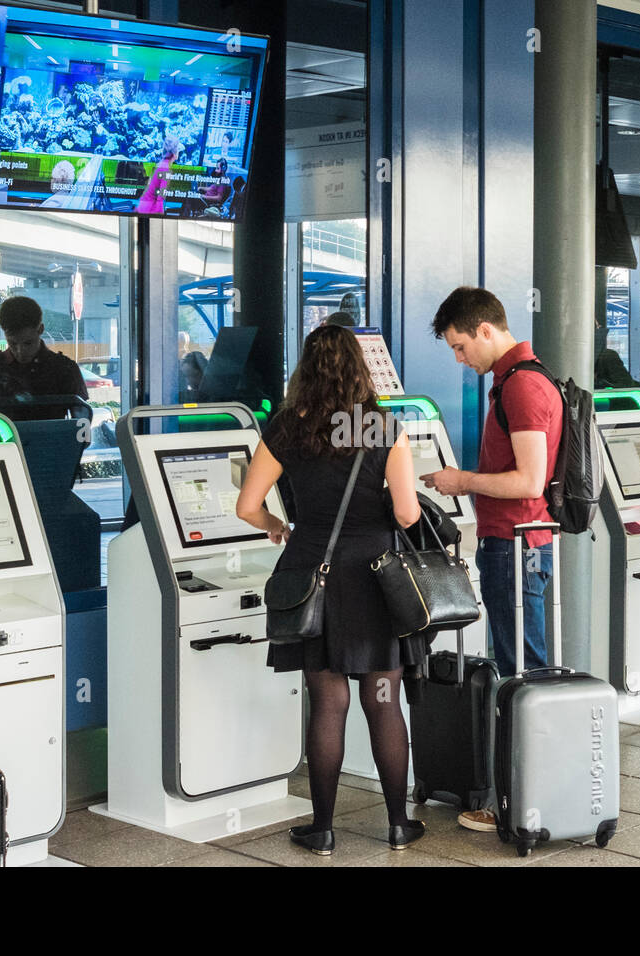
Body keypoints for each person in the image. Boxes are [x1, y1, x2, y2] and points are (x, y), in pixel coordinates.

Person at [235, 325, 427, 856]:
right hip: (376, 575)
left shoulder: (286, 427)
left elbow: (247, 507)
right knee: (384, 700)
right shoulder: (383, 428)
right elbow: (408, 514)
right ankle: (396, 824)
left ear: (306, 369)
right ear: (359, 369)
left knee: (328, 700)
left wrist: (277, 525)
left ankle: (322, 828)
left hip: (312, 573)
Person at [422, 286, 562, 833]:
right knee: (524, 665)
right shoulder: (521, 380)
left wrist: (461, 481)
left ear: (485, 330)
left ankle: (522, 798)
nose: (460, 360)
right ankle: (531, 791)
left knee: (520, 671)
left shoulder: (522, 388)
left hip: (515, 543)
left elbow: (528, 479)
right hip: (519, 542)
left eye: (460, 347)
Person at [0, 296, 88, 412]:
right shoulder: (65, 369)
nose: (20, 351)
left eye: (28, 343)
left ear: (40, 329)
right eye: (13, 343)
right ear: (5, 334)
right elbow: (82, 420)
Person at [136, 130, 183, 215]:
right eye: (178, 149)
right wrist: (161, 216)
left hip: (144, 206)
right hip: (149, 209)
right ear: (175, 151)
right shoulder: (166, 169)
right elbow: (161, 196)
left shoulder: (162, 163)